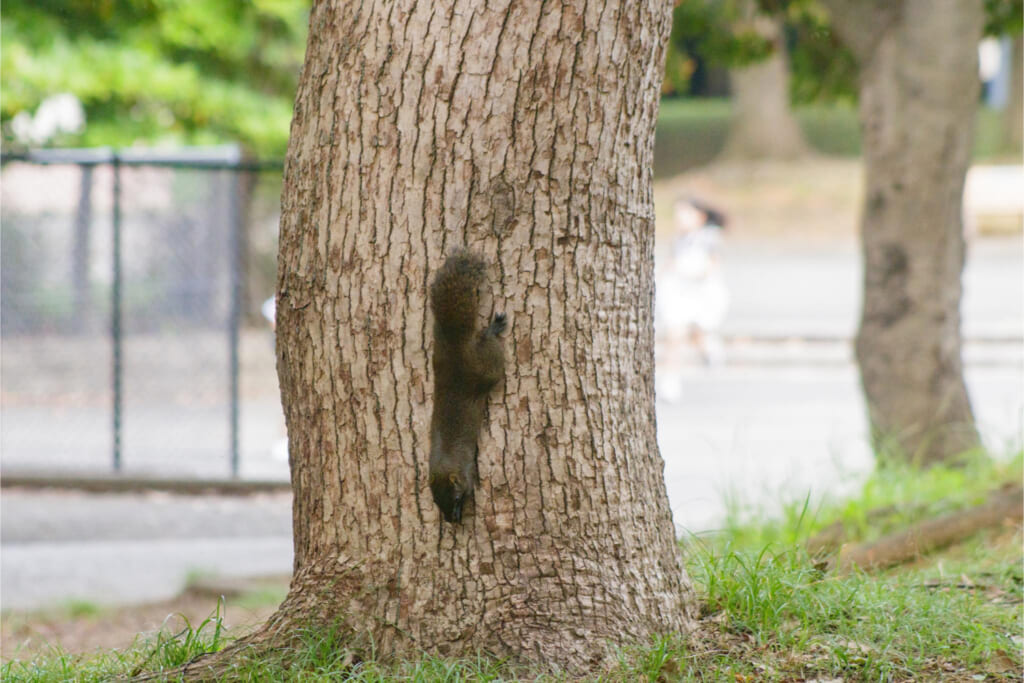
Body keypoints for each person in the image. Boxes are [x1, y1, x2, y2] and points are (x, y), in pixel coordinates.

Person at [657, 197, 730, 373]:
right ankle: (670, 378)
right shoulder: (678, 240)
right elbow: (671, 262)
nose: (680, 217)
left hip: (702, 294)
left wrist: (695, 273)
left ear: (700, 216)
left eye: (685, 213)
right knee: (674, 334)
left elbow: (713, 264)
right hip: (681, 293)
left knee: (698, 333)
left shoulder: (709, 237)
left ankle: (710, 353)